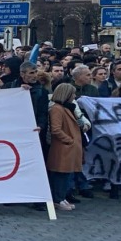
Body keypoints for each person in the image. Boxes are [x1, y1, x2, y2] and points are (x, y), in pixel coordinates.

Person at [46, 83, 83, 212]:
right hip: (63, 148)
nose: (74, 96)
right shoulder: (57, 109)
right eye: (72, 93)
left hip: (67, 147)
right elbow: (56, 129)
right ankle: (58, 199)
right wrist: (70, 140)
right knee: (60, 175)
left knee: (65, 175)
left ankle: (61, 197)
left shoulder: (65, 108)